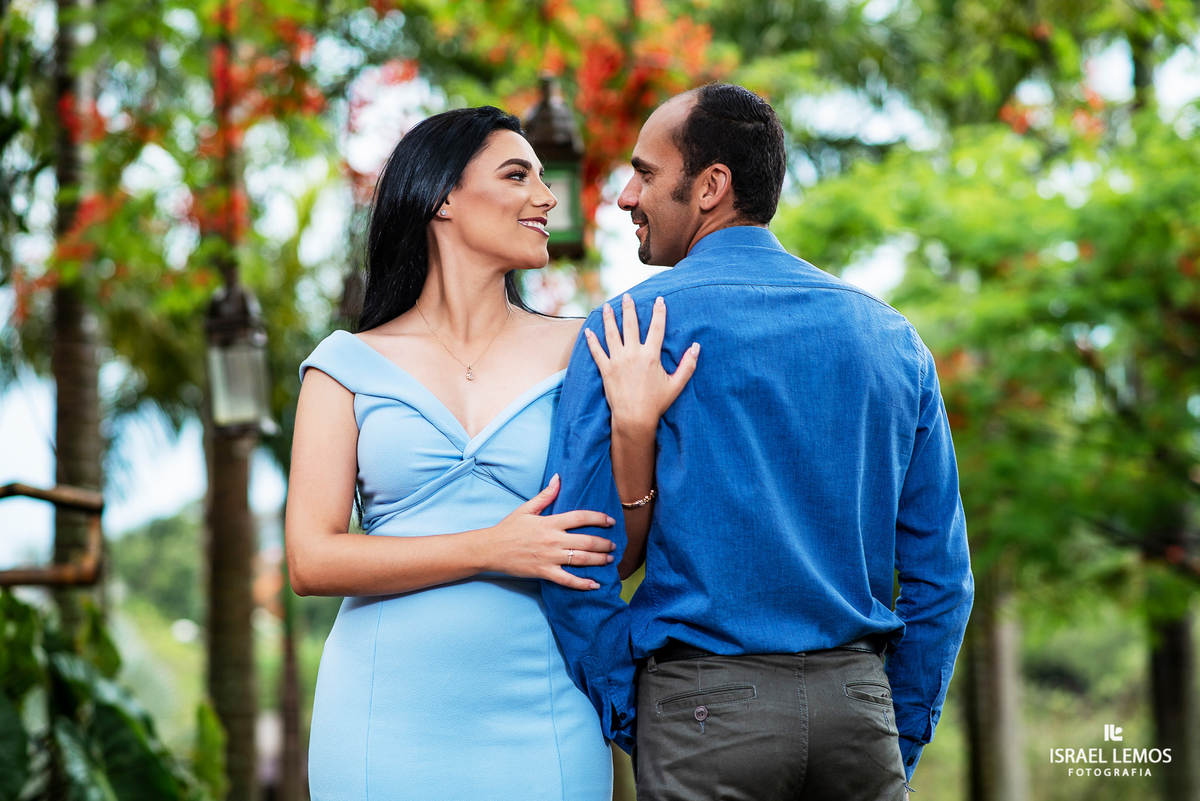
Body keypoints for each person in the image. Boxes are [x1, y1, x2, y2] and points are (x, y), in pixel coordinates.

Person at [540, 83, 974, 800]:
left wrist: (640, 709)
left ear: (710, 187)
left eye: (645, 173)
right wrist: (890, 729)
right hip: (858, 715)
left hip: (701, 715)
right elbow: (943, 580)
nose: (624, 196)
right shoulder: (894, 340)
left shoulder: (626, 332)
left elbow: (577, 557)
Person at [285, 106, 697, 801]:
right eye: (517, 176)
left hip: (544, 709)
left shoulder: (585, 349)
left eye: (543, 177)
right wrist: (492, 548)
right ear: (443, 197)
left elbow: (616, 556)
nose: (547, 197)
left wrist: (634, 429)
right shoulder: (344, 365)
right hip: (379, 714)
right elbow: (311, 559)